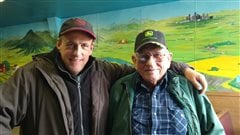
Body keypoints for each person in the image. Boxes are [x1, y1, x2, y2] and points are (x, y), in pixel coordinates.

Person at [0, 18, 207, 135]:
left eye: (83, 46)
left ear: (92, 47)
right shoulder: (32, 74)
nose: (77, 52)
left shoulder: (105, 71)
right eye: (70, 44)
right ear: (58, 44)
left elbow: (148, 67)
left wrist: (185, 69)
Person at [107, 29, 225, 135]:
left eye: (158, 55)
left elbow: (214, 130)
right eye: (143, 57)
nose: (150, 63)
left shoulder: (189, 86)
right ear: (134, 60)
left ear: (169, 58)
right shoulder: (120, 88)